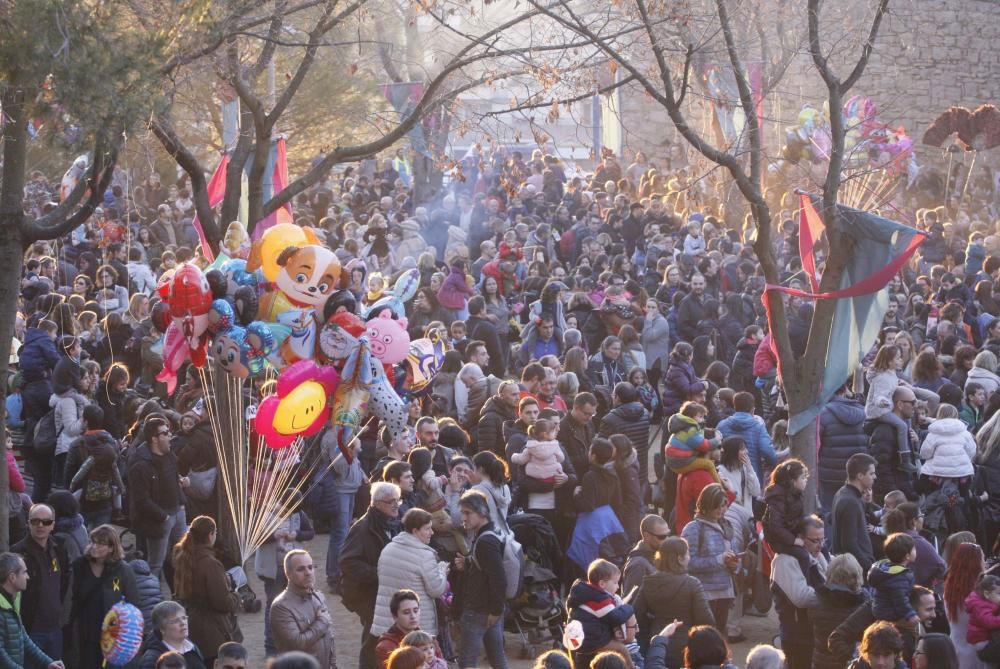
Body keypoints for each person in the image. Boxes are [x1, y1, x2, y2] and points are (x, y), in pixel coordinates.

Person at [340, 482, 401, 669]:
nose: (396, 505)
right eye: (391, 501)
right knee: (372, 640)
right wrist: (380, 574)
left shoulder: (391, 523)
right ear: (376, 503)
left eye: (398, 500)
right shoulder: (362, 528)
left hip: (380, 593)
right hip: (366, 594)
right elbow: (347, 562)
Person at [171, 516, 240, 666]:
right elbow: (222, 602)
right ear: (210, 534)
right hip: (213, 633)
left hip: (192, 627)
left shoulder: (182, 558)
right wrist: (236, 595)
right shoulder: (210, 564)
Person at [632, 536, 714, 663]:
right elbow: (706, 619)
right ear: (680, 559)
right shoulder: (692, 584)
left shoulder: (649, 582)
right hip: (687, 645)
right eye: (687, 554)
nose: (689, 557)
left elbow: (636, 613)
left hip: (656, 641)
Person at [69, 524, 139, 669]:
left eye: (101, 544)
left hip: (111, 635)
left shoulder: (123, 570)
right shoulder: (79, 566)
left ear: (112, 548)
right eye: (93, 542)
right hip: (85, 630)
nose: (95, 547)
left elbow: (134, 602)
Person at [372, 509, 448, 639]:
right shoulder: (425, 555)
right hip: (415, 626)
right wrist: (442, 572)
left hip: (386, 623)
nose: (432, 532)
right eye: (427, 529)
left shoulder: (387, 549)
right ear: (415, 531)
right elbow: (436, 590)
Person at [128, 415, 188, 579]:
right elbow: (141, 500)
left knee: (182, 558)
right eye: (165, 432)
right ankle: (152, 599)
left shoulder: (169, 454)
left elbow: (172, 477)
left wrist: (181, 485)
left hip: (178, 513)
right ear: (154, 439)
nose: (170, 435)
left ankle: (178, 595)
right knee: (155, 563)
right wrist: (163, 517)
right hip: (160, 519)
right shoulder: (141, 465)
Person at [454, 490, 508, 669]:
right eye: (462, 512)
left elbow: (499, 578)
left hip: (479, 610)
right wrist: (469, 562)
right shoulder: (493, 532)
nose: (464, 517)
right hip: (490, 610)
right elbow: (487, 567)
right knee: (498, 660)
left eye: (468, 513)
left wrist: (495, 610)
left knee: (466, 663)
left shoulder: (485, 541)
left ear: (482, 513)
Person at [681, 484, 741, 635]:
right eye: (716, 506)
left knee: (719, 634)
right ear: (706, 505)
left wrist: (735, 564)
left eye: (723, 506)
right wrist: (719, 560)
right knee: (704, 635)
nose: (721, 510)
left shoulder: (727, 525)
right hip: (705, 593)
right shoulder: (693, 528)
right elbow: (688, 562)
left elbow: (734, 552)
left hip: (726, 591)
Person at [12, 504, 70, 660]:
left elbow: (64, 581)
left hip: (55, 630)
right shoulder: (17, 553)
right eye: (35, 521)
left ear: (53, 525)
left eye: (46, 522)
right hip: (30, 631)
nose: (40, 525)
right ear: (28, 523)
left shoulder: (59, 548)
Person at [770, 515, 828, 669]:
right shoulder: (784, 560)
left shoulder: (817, 555)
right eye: (815, 540)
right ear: (800, 538)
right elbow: (802, 597)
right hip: (796, 637)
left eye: (823, 540)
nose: (820, 545)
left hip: (815, 633)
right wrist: (832, 595)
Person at [270, 550, 337, 669]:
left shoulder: (318, 597)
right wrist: (322, 622)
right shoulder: (280, 607)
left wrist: (333, 665)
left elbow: (329, 639)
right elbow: (298, 643)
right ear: (288, 574)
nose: (308, 573)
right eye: (301, 569)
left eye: (310, 567)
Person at [565, 559, 635, 667]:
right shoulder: (599, 599)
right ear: (602, 584)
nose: (617, 587)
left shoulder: (584, 594)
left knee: (583, 663)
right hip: (592, 640)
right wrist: (629, 608)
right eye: (615, 582)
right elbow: (615, 617)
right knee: (622, 650)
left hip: (582, 638)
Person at [0, 552, 64, 669]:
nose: (28, 577)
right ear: (12, 578)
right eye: (24, 572)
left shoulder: (12, 600)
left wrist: (48, 662)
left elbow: (23, 638)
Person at [811, 554, 869, 669]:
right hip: (848, 662)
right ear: (856, 574)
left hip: (820, 662)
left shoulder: (819, 598)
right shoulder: (862, 603)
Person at [818, 383, 869, 511]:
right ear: (844, 391)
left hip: (829, 474)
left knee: (829, 512)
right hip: (857, 473)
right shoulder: (862, 411)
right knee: (854, 510)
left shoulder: (823, 413)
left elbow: (816, 444)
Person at [869, 387, 919, 502]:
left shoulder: (904, 427)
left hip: (904, 492)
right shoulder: (884, 430)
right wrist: (896, 496)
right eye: (912, 402)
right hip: (893, 499)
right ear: (900, 404)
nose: (915, 406)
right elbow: (881, 467)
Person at [831, 453, 878, 573]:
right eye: (871, 473)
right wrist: (869, 566)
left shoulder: (844, 493)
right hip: (853, 570)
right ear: (860, 475)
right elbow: (849, 544)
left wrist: (867, 504)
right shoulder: (850, 502)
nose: (875, 477)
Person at [598, 382, 651, 483]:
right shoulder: (645, 413)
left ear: (617, 398)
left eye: (613, 394)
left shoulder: (609, 419)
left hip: (620, 474)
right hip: (641, 469)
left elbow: (601, 448)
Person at [137, 601, 208, 669]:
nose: (183, 623)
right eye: (175, 621)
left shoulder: (192, 647)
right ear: (162, 629)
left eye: (184, 618)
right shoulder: (152, 659)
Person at [869, 533, 919, 626]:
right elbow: (900, 599)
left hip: (879, 608)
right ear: (907, 556)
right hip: (889, 614)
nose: (916, 551)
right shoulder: (898, 577)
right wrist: (910, 615)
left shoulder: (886, 569)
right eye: (914, 549)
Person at [621, 514, 670, 594]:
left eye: (668, 535)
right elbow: (630, 601)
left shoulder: (658, 554)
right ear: (647, 536)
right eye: (661, 537)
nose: (667, 540)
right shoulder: (638, 565)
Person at [374, 590, 424, 668]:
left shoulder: (426, 638)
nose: (413, 616)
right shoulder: (386, 647)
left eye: (415, 611)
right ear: (395, 616)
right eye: (406, 612)